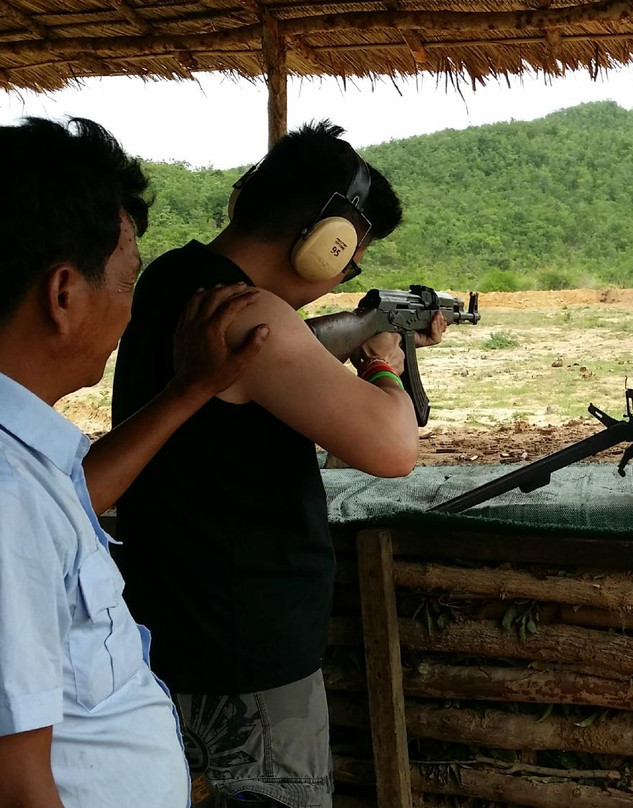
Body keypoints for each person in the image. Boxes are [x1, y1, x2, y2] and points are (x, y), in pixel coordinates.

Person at [112, 120, 443, 808]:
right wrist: (383, 365)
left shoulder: (175, 276)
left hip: (173, 630)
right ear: (329, 246)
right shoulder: (250, 315)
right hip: (248, 655)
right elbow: (394, 449)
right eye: (349, 260)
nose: (344, 275)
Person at [0, 117, 268, 808]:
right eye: (128, 281)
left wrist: (189, 390)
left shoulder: (25, 465)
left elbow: (71, 501)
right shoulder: (7, 498)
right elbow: (18, 783)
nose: (129, 312)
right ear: (64, 295)